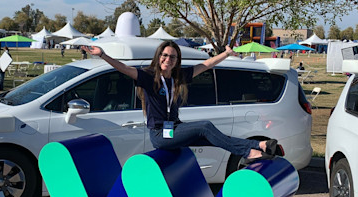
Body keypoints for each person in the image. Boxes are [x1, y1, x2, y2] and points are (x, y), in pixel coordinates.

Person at [82, 41, 279, 162]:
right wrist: (103, 55)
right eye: (165, 55)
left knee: (215, 137)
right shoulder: (148, 77)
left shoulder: (178, 77)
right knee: (205, 126)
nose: (168, 59)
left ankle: (258, 146)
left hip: (174, 129)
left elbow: (205, 65)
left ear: (177, 60)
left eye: (173, 56)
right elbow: (124, 69)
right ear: (159, 56)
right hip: (160, 135)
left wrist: (226, 54)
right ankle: (249, 151)